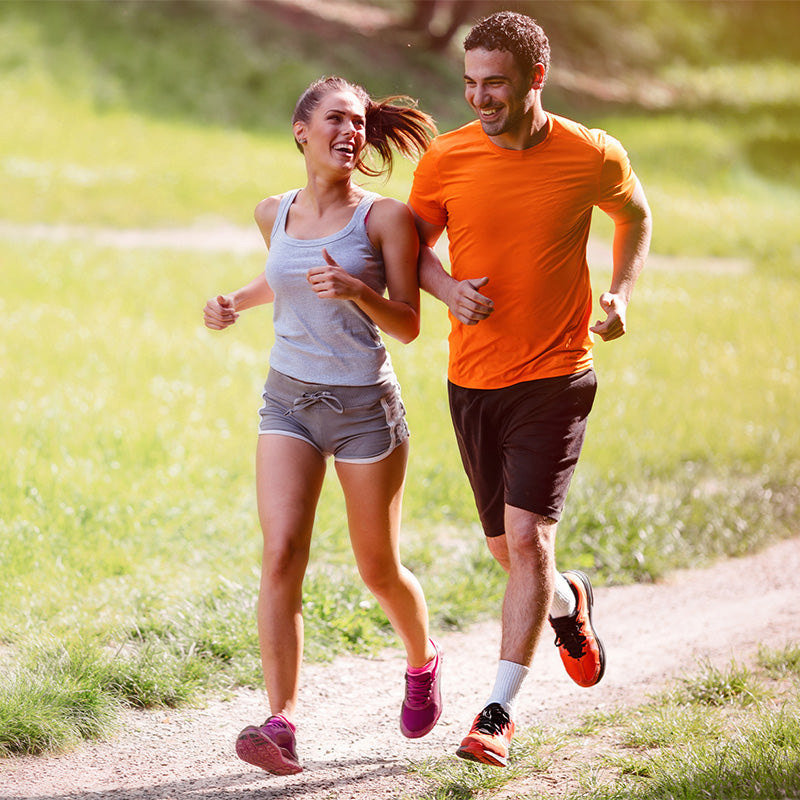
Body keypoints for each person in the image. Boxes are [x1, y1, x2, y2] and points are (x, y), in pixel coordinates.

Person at [407, 11, 652, 767]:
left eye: (497, 85)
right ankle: (569, 606)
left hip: (557, 374)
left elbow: (634, 216)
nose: (481, 98)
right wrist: (447, 287)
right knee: (505, 551)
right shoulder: (446, 159)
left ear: (534, 78)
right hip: (472, 378)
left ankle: (497, 713)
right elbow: (410, 249)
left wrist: (620, 295)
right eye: (471, 83)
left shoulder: (589, 152)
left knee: (526, 538)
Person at [204, 76, 442, 776]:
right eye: (337, 118)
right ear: (301, 130)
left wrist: (360, 291)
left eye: (361, 122)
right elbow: (285, 275)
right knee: (281, 554)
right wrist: (236, 301)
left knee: (378, 569)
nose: (352, 131)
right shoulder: (271, 211)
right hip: (289, 401)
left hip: (366, 410)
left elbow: (409, 324)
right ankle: (281, 723)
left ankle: (423, 660)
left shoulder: (384, 219)